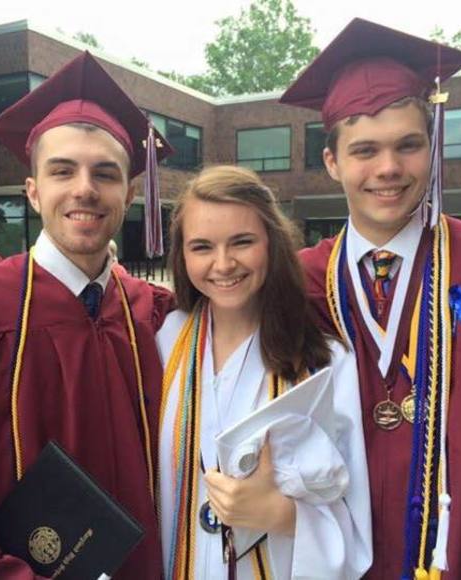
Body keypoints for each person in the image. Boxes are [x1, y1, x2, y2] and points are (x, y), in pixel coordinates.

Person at [0, 52, 175, 579]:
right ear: (34, 191)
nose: (84, 188)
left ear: (130, 193)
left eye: (105, 173)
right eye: (62, 171)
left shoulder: (155, 315)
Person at [280, 18, 461, 580]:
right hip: (337, 563)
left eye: (408, 145)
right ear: (332, 162)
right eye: (365, 150)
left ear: (432, 148)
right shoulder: (298, 282)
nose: (388, 168)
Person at [157, 165, 372, 579]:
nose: (223, 263)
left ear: (272, 243)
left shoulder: (324, 363)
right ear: (182, 256)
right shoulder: (164, 342)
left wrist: (282, 515)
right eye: (202, 247)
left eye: (242, 242)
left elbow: (355, 514)